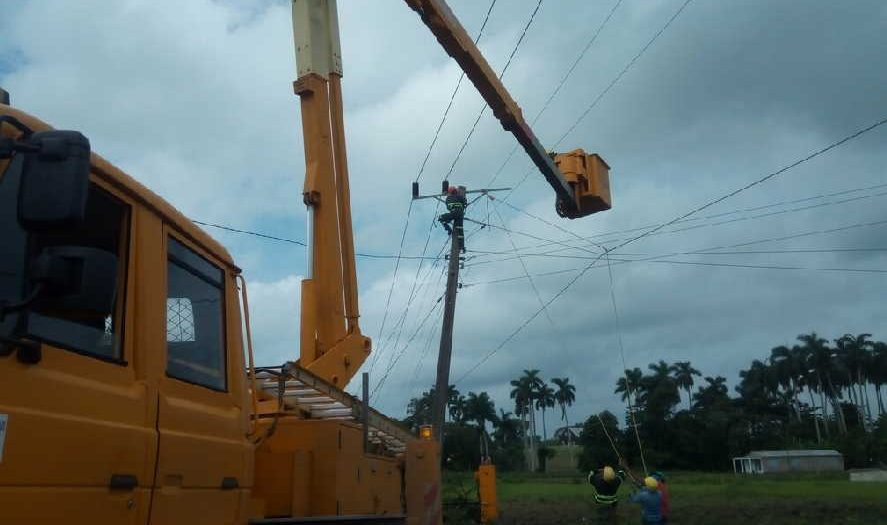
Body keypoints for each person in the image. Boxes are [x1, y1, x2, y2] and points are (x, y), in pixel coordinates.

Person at [438, 186, 467, 251]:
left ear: (450, 192)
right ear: (456, 192)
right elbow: (465, 202)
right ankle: (461, 246)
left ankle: (449, 230)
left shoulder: (448, 198)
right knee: (460, 230)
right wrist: (462, 203)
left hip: (454, 212)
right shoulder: (460, 197)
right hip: (460, 214)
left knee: (441, 218)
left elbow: (448, 207)